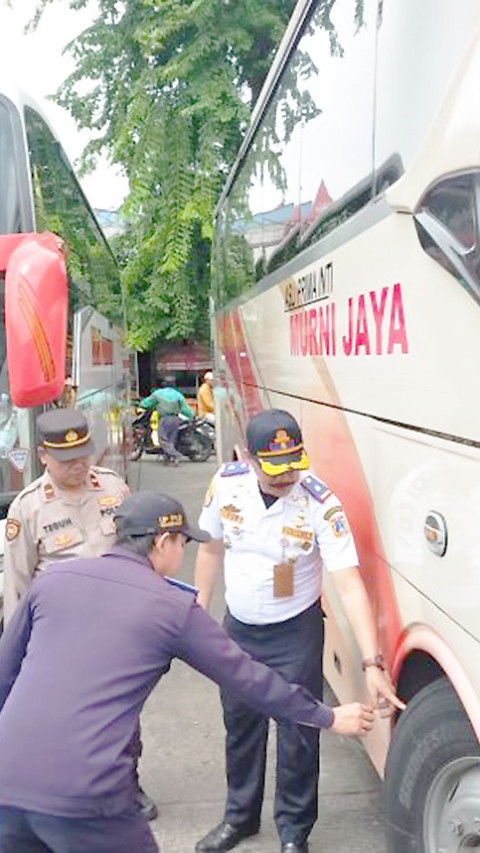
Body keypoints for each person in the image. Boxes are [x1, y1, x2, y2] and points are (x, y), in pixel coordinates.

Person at [0, 491, 375, 853]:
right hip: (87, 794)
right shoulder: (171, 607)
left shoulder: (53, 580)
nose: (184, 552)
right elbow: (246, 677)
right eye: (183, 543)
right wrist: (325, 716)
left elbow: (4, 675)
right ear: (163, 542)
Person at [194, 409, 406, 853]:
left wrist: (371, 661)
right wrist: (197, 610)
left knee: (298, 732)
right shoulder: (227, 485)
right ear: (248, 459)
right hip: (239, 631)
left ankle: (294, 831)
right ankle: (240, 818)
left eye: (293, 462)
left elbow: (348, 582)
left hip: (295, 634)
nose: (287, 475)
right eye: (274, 469)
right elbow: (211, 548)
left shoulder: (318, 501)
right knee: (241, 727)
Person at [2, 407, 156, 822]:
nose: (80, 465)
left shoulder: (113, 489)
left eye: (84, 454)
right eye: (67, 459)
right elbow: (16, 583)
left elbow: (138, 554)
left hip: (119, 628)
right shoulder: (28, 508)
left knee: (125, 713)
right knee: (67, 716)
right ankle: (70, 791)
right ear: (45, 456)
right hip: (60, 636)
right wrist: (17, 649)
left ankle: (128, 785)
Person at [141, 381, 194, 463]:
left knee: (162, 439)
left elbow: (146, 404)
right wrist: (192, 416)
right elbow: (185, 409)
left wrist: (141, 404)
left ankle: (176, 455)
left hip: (165, 418)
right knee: (171, 439)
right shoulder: (178, 395)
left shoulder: (158, 393)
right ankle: (170, 457)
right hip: (176, 419)